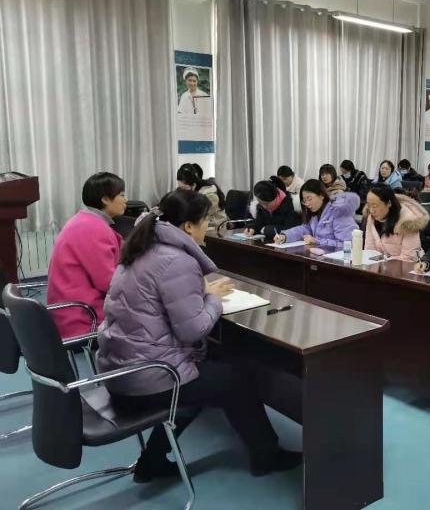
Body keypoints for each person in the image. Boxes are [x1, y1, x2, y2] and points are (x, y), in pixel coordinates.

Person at [98, 189, 301, 482]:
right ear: (188, 227)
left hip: (121, 367)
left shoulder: (143, 245)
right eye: (205, 220)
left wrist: (201, 292)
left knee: (210, 371)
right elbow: (193, 329)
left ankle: (152, 461)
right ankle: (267, 456)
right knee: (236, 380)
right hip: (148, 376)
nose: (208, 225)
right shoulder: (176, 261)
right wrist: (213, 300)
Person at [47, 172, 127, 339]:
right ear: (105, 199)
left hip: (68, 311)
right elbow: (109, 283)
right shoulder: (93, 228)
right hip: (83, 318)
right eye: (121, 195)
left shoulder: (84, 220)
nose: (125, 200)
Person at [273, 180, 359, 248]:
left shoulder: (339, 212)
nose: (307, 204)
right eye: (304, 201)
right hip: (321, 258)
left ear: (321, 195)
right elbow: (304, 229)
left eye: (309, 199)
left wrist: (317, 241)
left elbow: (349, 244)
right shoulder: (315, 214)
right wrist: (285, 236)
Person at [363, 184, 429, 261]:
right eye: (369, 205)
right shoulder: (371, 218)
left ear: (389, 203)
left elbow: (409, 258)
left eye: (375, 206)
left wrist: (382, 261)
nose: (371, 211)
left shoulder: (408, 221)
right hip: (382, 265)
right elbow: (369, 250)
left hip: (409, 265)